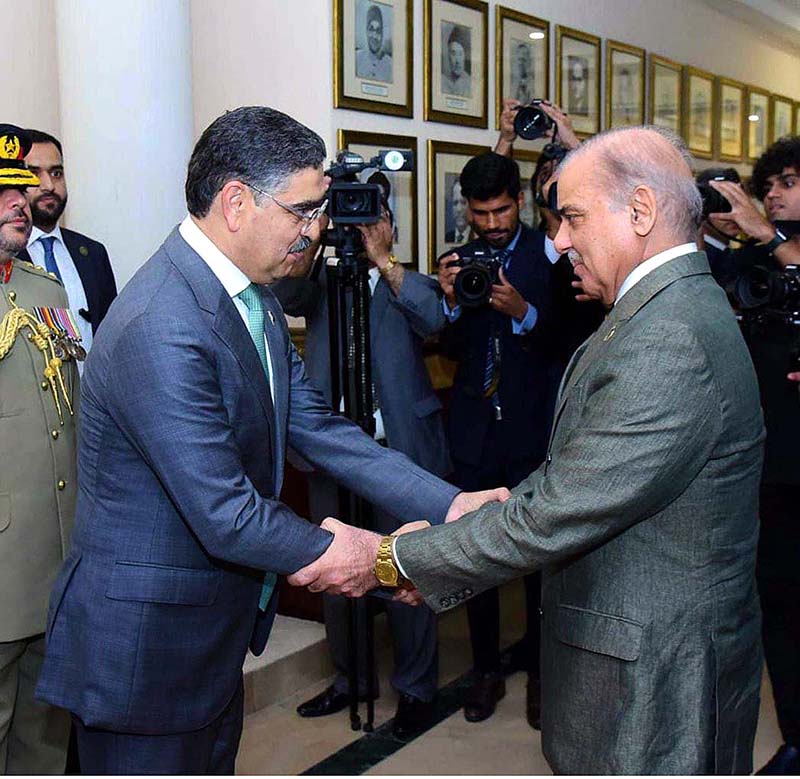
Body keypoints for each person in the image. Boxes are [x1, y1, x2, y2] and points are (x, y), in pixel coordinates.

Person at [34, 106, 507, 775]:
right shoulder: (161, 323)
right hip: (144, 657)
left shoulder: (248, 298)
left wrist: (448, 502)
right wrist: (378, 557)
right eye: (304, 211)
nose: (315, 231)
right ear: (236, 202)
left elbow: (320, 430)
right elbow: (226, 512)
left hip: (206, 640)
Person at [292, 126, 767, 775]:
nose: (561, 239)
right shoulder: (670, 309)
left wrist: (388, 558)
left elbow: (560, 512)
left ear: (640, 212)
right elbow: (587, 481)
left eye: (571, 216)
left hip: (654, 688)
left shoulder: (670, 339)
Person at [273, 206, 450, 738]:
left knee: (405, 571)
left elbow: (435, 320)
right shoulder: (321, 280)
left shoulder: (407, 281)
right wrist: (312, 237)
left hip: (397, 453)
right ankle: (352, 679)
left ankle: (416, 688)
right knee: (334, 571)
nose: (359, 230)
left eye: (370, 221)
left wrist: (382, 259)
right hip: (334, 454)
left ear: (390, 227)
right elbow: (286, 295)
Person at [436, 152, 554, 726]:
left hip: (532, 430)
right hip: (476, 432)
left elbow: (568, 340)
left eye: (501, 210)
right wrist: (453, 302)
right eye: (480, 213)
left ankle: (539, 670)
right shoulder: (459, 262)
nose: (491, 224)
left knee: (539, 558)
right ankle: (484, 672)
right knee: (474, 557)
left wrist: (524, 311)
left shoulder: (549, 256)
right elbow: (449, 350)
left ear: (520, 201)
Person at [710, 137, 800, 775]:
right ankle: (796, 732)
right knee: (780, 601)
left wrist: (768, 236)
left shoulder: (774, 248)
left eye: (790, 181)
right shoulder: (757, 261)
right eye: (770, 183)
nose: (774, 193)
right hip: (771, 460)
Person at [0, 124, 81, 774]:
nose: (20, 200)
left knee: (43, 745)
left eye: (22, 186)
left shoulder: (44, 292)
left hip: (56, 564)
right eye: (2, 189)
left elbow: (69, 423)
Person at [21, 130, 117, 363]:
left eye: (56, 173)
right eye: (34, 173)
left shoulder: (92, 253)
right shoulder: (7, 255)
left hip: (89, 395)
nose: (48, 185)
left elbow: (112, 336)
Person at [355, 3, 392, 83]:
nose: (374, 35)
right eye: (371, 29)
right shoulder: (356, 58)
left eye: (378, 30)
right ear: (366, 31)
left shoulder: (390, 64)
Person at [442, 26, 471, 98]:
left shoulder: (470, 83)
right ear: (448, 56)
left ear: (464, 56)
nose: (457, 61)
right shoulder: (441, 80)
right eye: (453, 54)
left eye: (460, 54)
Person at [444, 178, 469, 244]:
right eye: (455, 203)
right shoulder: (447, 237)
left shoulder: (478, 238)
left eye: (463, 202)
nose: (459, 209)